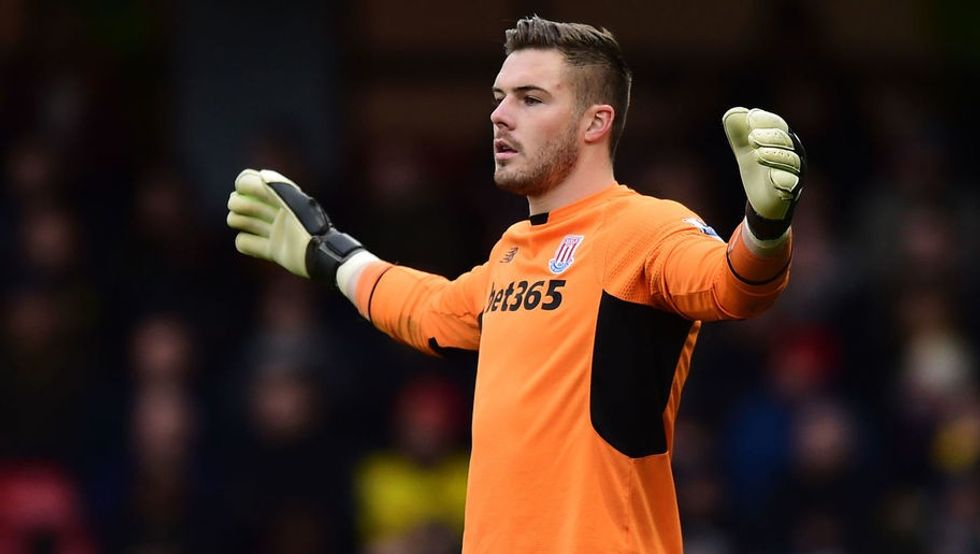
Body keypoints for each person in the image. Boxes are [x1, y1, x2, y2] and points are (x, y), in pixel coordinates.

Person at [225, 15, 805, 554]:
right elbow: (429, 312)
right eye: (499, 98)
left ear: (594, 122)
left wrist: (766, 227)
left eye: (531, 99)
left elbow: (732, 286)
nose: (500, 115)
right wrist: (328, 252)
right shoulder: (512, 251)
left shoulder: (643, 229)